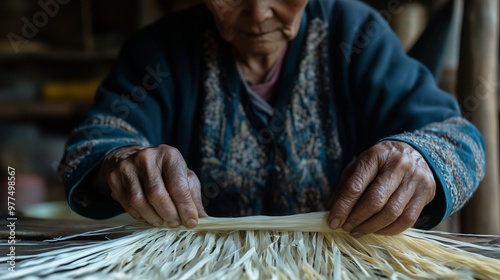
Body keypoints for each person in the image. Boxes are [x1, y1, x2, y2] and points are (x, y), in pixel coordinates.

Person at [58, 0, 485, 237]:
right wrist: (122, 162)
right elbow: (94, 142)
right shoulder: (163, 50)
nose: (259, 13)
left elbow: (456, 136)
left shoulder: (355, 34)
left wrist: (420, 158)